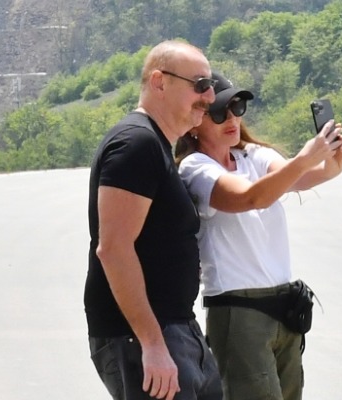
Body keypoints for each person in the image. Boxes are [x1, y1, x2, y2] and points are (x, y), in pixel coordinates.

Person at [175, 71, 342, 400]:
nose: (231, 119)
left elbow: (299, 178)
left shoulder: (251, 155)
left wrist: (331, 164)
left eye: (236, 108)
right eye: (219, 113)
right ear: (195, 122)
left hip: (282, 305)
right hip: (238, 310)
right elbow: (250, 197)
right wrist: (306, 159)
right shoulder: (195, 167)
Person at [85, 40, 223, 400]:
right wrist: (152, 343)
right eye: (200, 85)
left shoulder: (155, 145)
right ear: (160, 82)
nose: (209, 97)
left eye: (210, 86)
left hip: (176, 329)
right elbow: (114, 249)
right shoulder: (136, 144)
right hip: (145, 337)